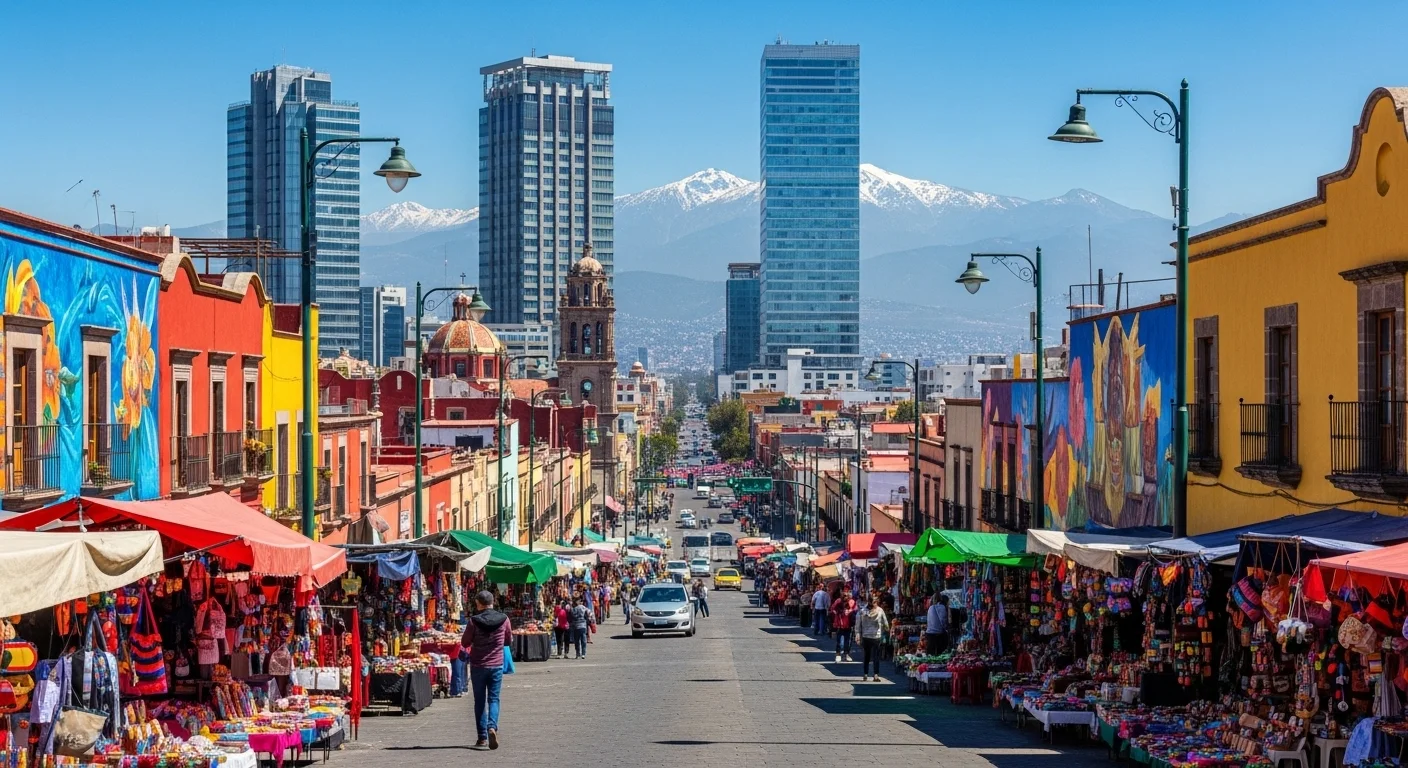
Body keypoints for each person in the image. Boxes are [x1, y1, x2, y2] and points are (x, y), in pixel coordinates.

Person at [460, 591, 511, 750]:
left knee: (480, 701)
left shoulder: (474, 621)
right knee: (494, 699)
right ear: (493, 602)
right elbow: (508, 640)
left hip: (478, 666)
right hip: (496, 665)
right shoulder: (504, 619)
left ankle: (482, 737)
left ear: (478, 604)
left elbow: (465, 642)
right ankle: (492, 727)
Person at [855, 595, 889, 682]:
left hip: (868, 636)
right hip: (874, 637)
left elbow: (858, 625)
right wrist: (886, 629)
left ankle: (868, 674)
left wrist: (858, 634)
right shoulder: (879, 610)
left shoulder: (862, 611)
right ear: (876, 602)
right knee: (874, 656)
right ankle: (873, 675)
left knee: (869, 656)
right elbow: (886, 624)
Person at [830, 590, 857, 663]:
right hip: (840, 624)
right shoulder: (838, 601)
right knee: (838, 641)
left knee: (847, 641)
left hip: (848, 625)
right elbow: (832, 609)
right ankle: (838, 654)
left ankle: (846, 654)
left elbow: (855, 610)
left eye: (846, 596)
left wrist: (851, 612)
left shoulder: (851, 602)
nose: (845, 597)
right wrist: (838, 614)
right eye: (844, 596)